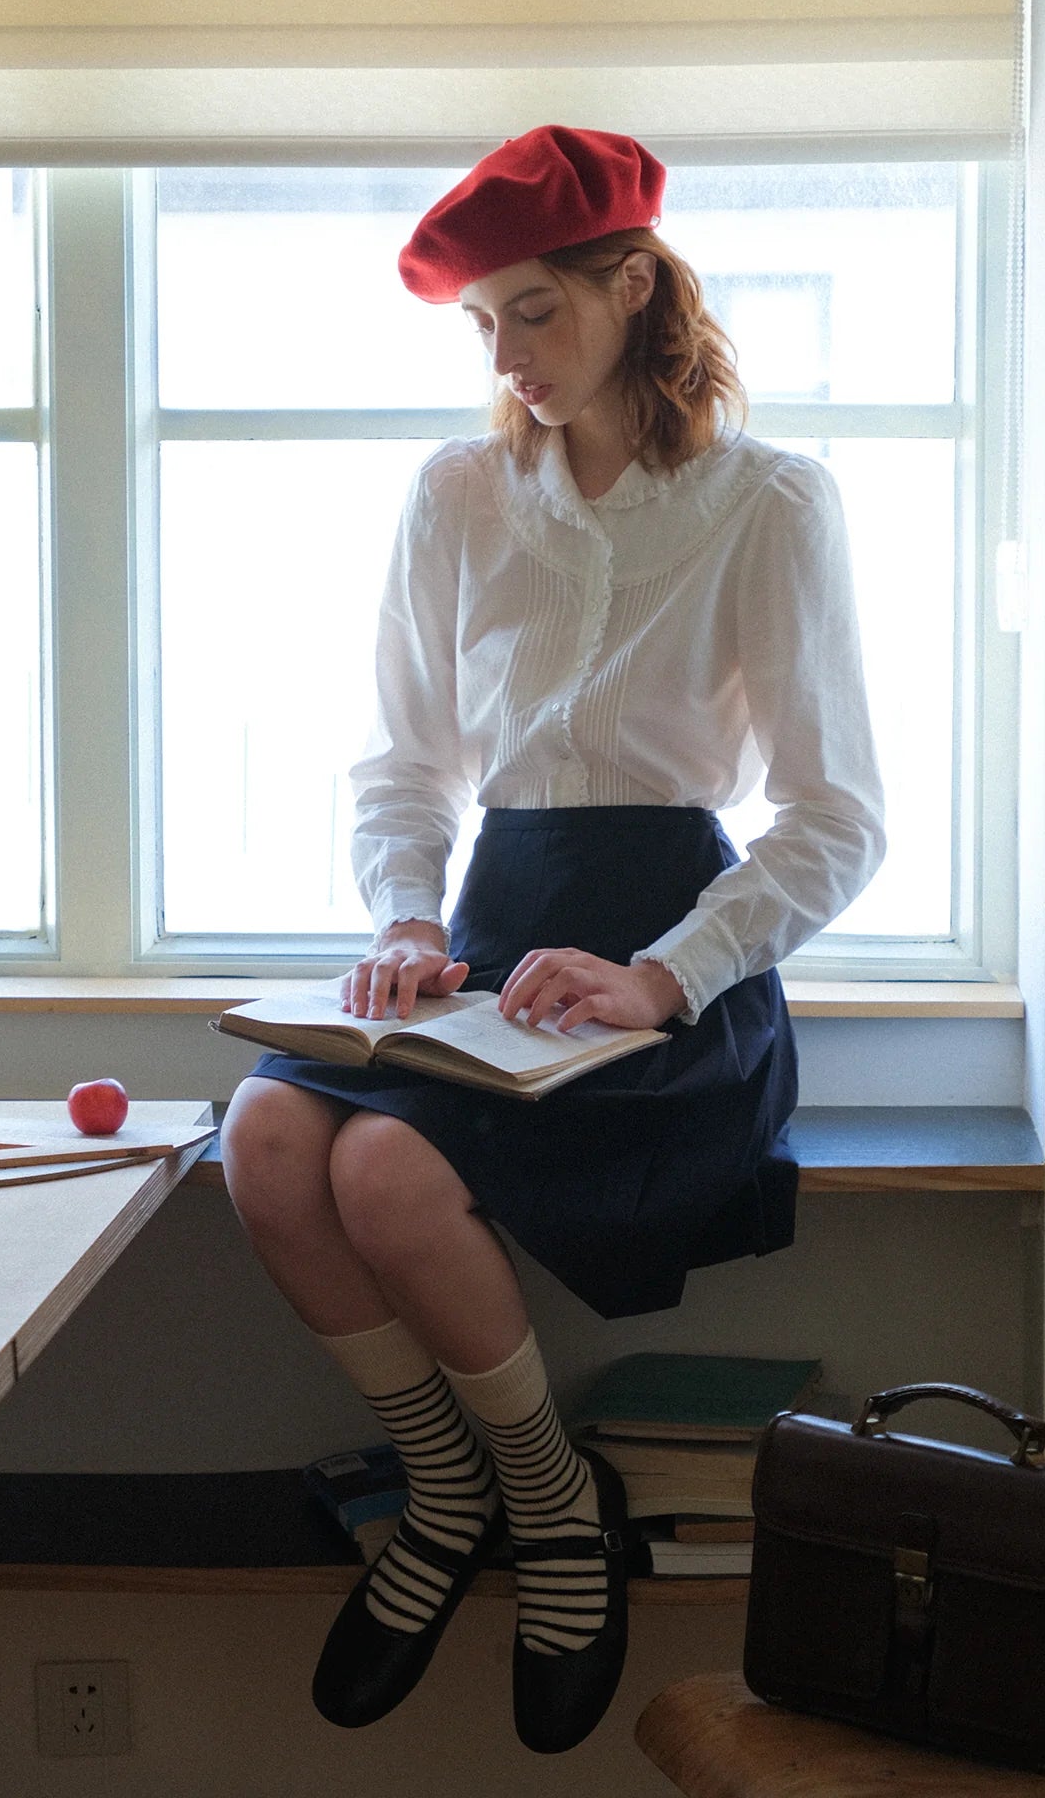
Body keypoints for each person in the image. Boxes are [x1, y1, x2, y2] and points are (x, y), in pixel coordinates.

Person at [220, 125, 885, 1755]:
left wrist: (660, 975)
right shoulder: (455, 495)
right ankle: (463, 1489)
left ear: (634, 284)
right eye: (482, 329)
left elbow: (835, 820)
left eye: (533, 313)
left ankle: (552, 1518)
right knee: (260, 1136)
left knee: (376, 1174)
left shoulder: (770, 504)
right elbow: (405, 763)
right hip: (487, 948)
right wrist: (402, 918)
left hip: (667, 968)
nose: (507, 360)